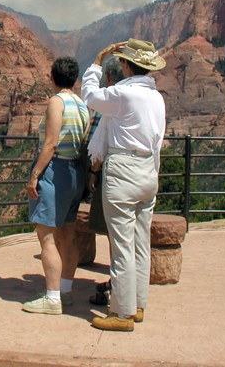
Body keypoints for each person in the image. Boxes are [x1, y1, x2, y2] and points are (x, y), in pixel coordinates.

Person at [81, 38, 166, 332]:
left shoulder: (123, 94)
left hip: (124, 171)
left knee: (122, 245)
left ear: (127, 65)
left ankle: (122, 313)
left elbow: (90, 96)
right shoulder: (157, 97)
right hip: (148, 172)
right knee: (141, 243)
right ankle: (138, 305)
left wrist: (97, 60)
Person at [23, 56, 89, 315]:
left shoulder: (56, 102)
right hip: (75, 172)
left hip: (55, 172)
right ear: (74, 78)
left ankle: (51, 299)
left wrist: (35, 175)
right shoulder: (82, 105)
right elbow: (83, 144)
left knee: (47, 237)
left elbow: (50, 143)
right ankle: (65, 291)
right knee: (68, 236)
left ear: (52, 76)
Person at [84, 56, 125, 306]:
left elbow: (99, 140)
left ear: (109, 78)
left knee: (113, 233)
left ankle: (115, 286)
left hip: (113, 174)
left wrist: (93, 172)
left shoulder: (110, 103)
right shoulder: (146, 98)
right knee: (124, 235)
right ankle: (124, 286)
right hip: (142, 174)